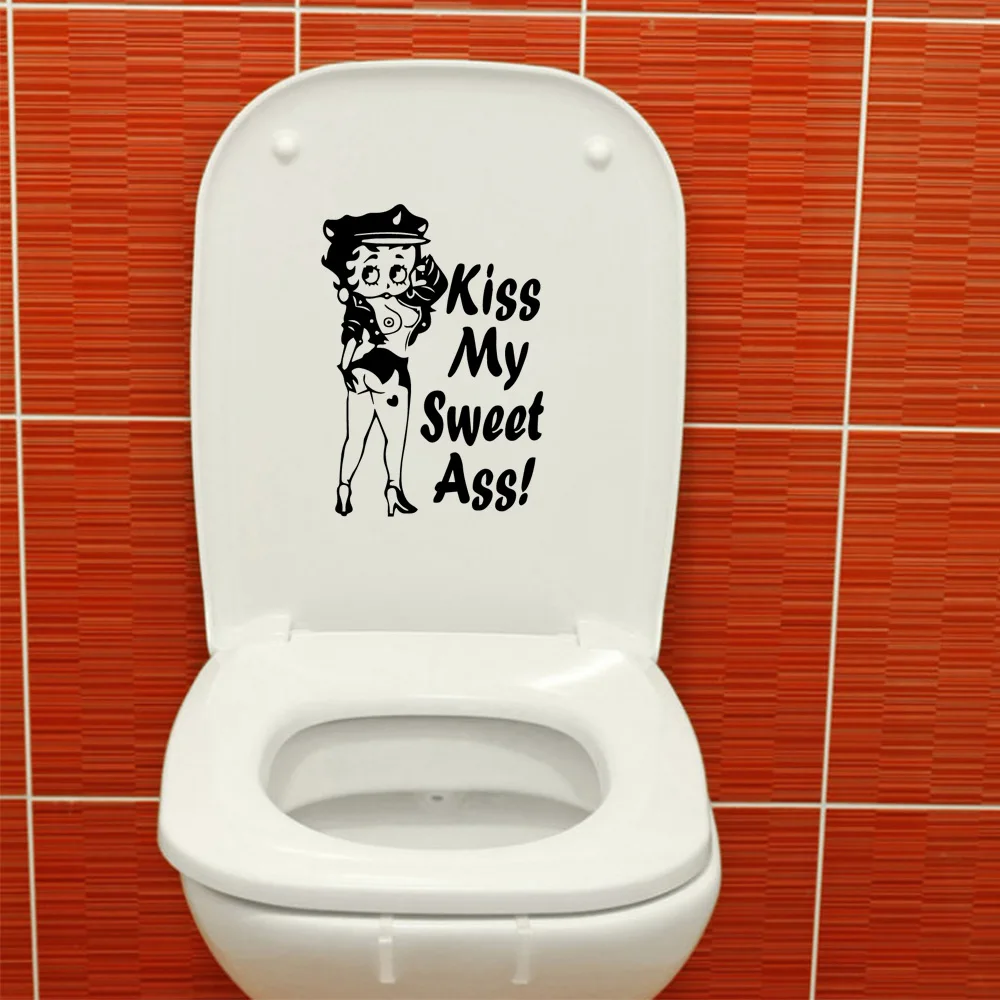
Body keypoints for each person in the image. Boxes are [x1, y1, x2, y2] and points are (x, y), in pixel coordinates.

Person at [321, 205, 447, 516]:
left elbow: (351, 335)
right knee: (394, 439)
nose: (387, 281)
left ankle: (344, 488)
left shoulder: (364, 304)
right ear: (352, 272)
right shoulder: (408, 303)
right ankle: (394, 489)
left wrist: (346, 367)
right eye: (370, 271)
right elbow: (438, 286)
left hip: (361, 370)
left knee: (355, 437)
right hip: (390, 371)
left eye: (397, 269)